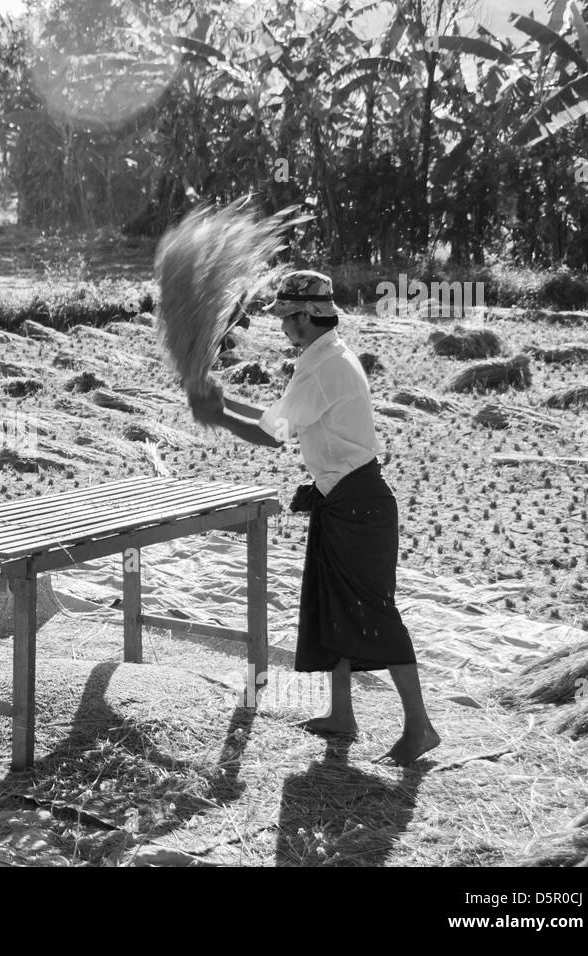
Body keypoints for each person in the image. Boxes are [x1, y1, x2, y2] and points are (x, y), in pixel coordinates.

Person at [189, 270, 440, 766]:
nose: (284, 328)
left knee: (373, 612)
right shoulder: (324, 357)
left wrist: (217, 417)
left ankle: (420, 726)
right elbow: (283, 414)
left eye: (287, 319)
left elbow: (274, 434)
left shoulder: (324, 366)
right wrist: (222, 403)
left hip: (359, 507)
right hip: (345, 499)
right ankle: (341, 714)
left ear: (307, 316)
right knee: (333, 606)